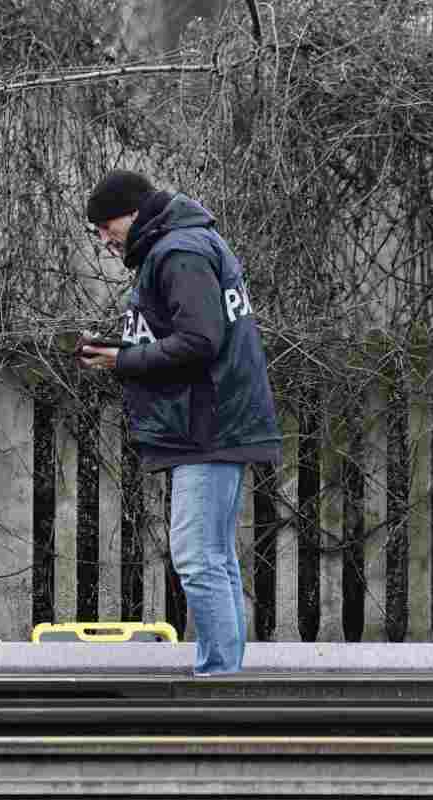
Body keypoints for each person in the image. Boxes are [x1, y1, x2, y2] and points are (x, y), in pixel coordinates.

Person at [78, 170, 282, 674]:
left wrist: (122, 362)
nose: (104, 239)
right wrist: (123, 351)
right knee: (214, 556)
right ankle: (224, 675)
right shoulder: (188, 242)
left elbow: (199, 342)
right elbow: (192, 335)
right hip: (215, 420)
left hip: (209, 426)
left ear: (135, 213)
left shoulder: (178, 252)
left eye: (107, 225)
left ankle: (218, 681)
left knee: (195, 557)